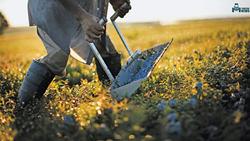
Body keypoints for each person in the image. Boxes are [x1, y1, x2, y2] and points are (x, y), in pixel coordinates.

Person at [18, 0, 131, 107]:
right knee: (57, 55)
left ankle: (116, 96)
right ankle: (24, 106)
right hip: (55, 6)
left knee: (103, 46)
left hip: (86, 6)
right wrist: (83, 17)